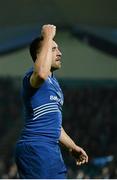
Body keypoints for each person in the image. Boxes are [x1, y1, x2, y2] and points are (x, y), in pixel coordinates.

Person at [15, 24, 88, 179]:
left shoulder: (55, 85)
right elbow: (41, 73)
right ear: (39, 54)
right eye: (53, 49)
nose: (60, 53)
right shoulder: (32, 77)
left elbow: (55, 125)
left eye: (58, 49)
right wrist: (48, 36)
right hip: (35, 147)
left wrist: (72, 147)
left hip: (51, 149)